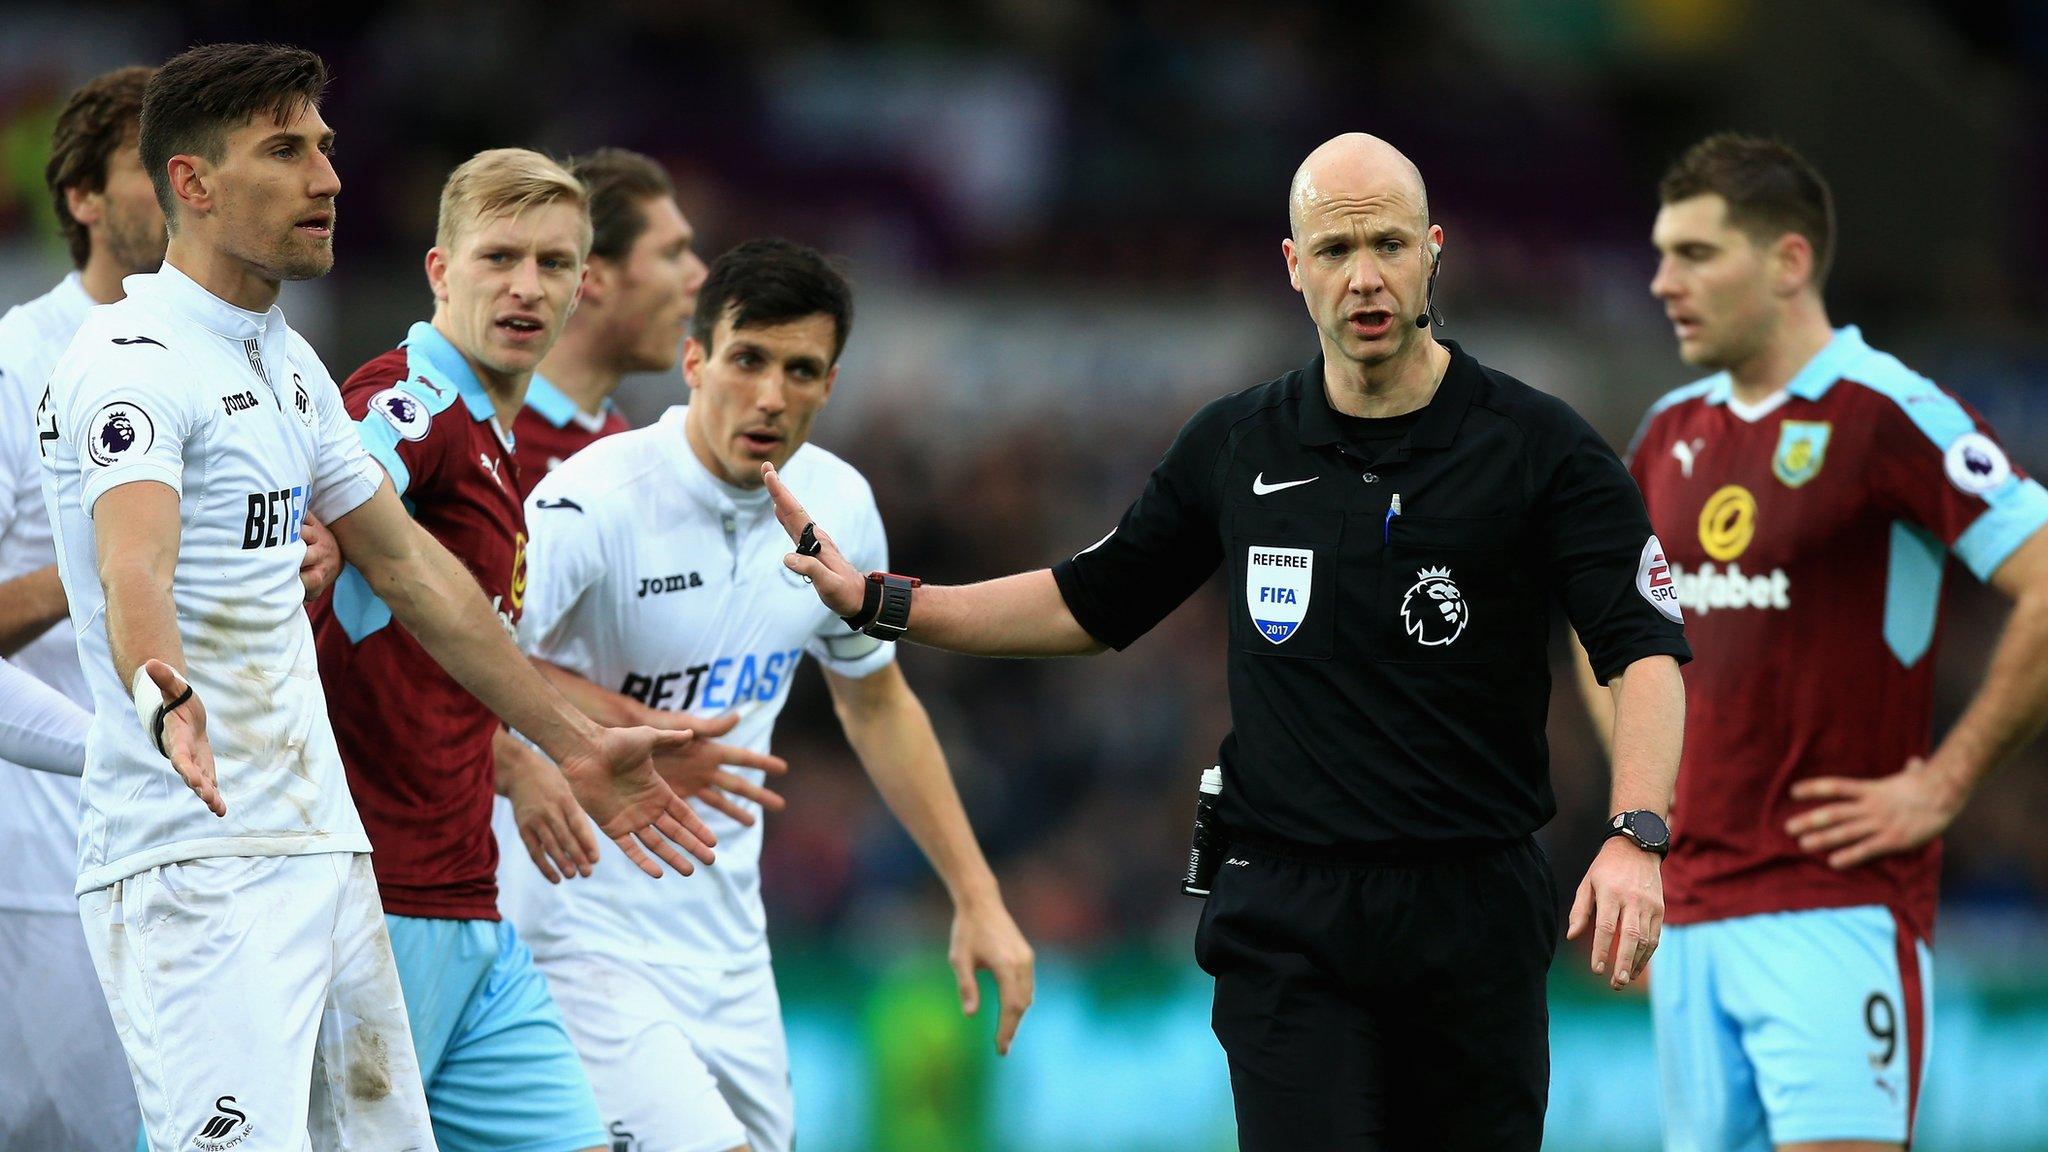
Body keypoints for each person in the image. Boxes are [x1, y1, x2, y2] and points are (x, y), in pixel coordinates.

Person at [765, 133, 1691, 1150]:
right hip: (1287, 916)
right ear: (1293, 268)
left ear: (1433, 250)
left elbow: (1639, 645)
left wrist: (1635, 835)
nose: (1364, 277)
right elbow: (1088, 604)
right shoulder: (1236, 443)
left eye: (1386, 243)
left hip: (1470, 909)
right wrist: (886, 604)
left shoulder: (1540, 447)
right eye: (1334, 253)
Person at [39, 43, 734, 1151]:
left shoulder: (290, 366)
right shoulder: (133, 357)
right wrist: (160, 685)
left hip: (326, 854)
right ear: (193, 184)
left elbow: (413, 570)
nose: (328, 177)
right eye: (286, 150)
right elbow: (137, 564)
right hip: (197, 861)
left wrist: (568, 740)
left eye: (323, 145)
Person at [496, 237, 1035, 1152]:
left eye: (801, 370)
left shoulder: (839, 509)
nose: (772, 396)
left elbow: (877, 702)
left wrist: (976, 893)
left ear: (831, 384)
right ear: (696, 359)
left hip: (730, 952)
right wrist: (629, 724)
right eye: (748, 359)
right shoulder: (593, 501)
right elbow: (469, 655)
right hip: (576, 934)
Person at [1575, 133, 2048, 1152]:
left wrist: (1945, 781)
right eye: (1660, 254)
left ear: (1787, 262)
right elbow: (1593, 624)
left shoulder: (1885, 413)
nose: (1661, 282)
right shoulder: (1664, 433)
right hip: (1689, 916)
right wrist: (1638, 823)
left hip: (1830, 909)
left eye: (1695, 254)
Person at [307, 147, 783, 1152]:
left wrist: (516, 758)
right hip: (371, 905)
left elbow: (439, 657)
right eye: (499, 258)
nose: (527, 287)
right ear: (440, 272)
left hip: (472, 904)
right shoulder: (412, 404)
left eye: (554, 264)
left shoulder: (496, 439)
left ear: (581, 287)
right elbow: (347, 481)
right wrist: (312, 532)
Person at [0, 65, 157, 1150]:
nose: (187, 188)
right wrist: (110, 564)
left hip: (197, 837)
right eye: (154, 166)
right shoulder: (18, 363)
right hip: (43, 851)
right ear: (83, 199)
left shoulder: (241, 365)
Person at [512, 147, 706, 498]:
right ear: (594, 277)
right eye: (673, 253)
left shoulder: (622, 451)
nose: (700, 277)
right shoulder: (462, 426)